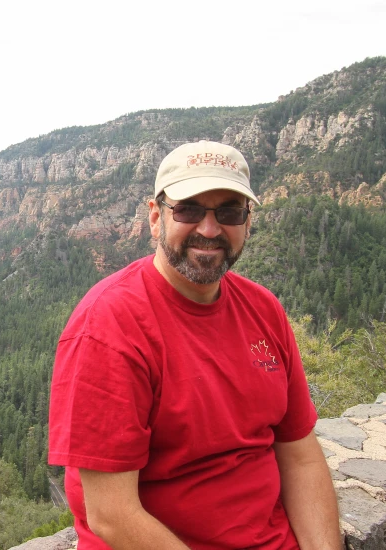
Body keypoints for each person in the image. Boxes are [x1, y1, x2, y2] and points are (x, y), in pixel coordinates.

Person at [48, 140, 342, 549]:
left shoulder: (264, 310)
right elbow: (111, 515)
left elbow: (300, 456)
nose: (209, 229)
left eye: (229, 211)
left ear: (247, 221)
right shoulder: (109, 326)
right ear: (155, 217)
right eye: (187, 209)